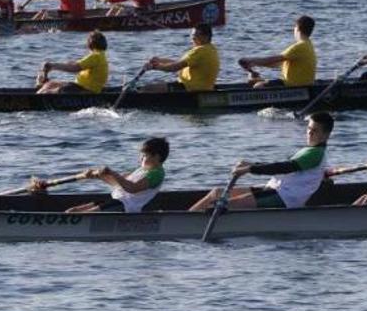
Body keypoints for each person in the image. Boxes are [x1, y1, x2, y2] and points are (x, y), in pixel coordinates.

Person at [189, 112, 334, 211]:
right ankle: (187, 217)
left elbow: (282, 167)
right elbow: (278, 168)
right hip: (274, 189)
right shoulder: (309, 151)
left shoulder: (316, 153)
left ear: (326, 135)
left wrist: (250, 169)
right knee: (217, 193)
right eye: (309, 128)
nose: (309, 133)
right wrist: (251, 165)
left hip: (284, 198)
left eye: (315, 130)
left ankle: (185, 224)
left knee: (226, 204)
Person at [64, 137, 169, 213]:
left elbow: (132, 188)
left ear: (157, 157)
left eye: (145, 155)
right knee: (72, 211)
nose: (141, 158)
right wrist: (97, 175)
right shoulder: (140, 170)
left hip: (126, 206)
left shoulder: (156, 174)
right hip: (115, 200)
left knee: (83, 214)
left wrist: (112, 173)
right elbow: (118, 184)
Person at [238, 15, 317, 88]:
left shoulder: (299, 46)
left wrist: (250, 60)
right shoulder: (309, 45)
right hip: (304, 85)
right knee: (253, 81)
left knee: (258, 86)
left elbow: (272, 59)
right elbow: (278, 64)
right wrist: (254, 64)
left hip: (292, 85)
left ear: (297, 28)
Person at [143, 22, 220, 92]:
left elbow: (174, 68)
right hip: (194, 87)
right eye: (192, 35)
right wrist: (160, 60)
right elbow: (179, 64)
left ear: (205, 36)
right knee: (155, 86)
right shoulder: (211, 48)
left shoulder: (201, 51)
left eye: (195, 35)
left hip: (191, 89)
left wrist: (155, 67)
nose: (192, 38)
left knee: (147, 89)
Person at [36, 31, 109, 94]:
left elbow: (75, 68)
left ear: (90, 44)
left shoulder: (96, 56)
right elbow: (74, 64)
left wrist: (53, 66)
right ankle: (39, 90)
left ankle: (35, 99)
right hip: (80, 86)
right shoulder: (100, 55)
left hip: (85, 90)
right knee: (50, 84)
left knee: (47, 93)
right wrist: (53, 65)